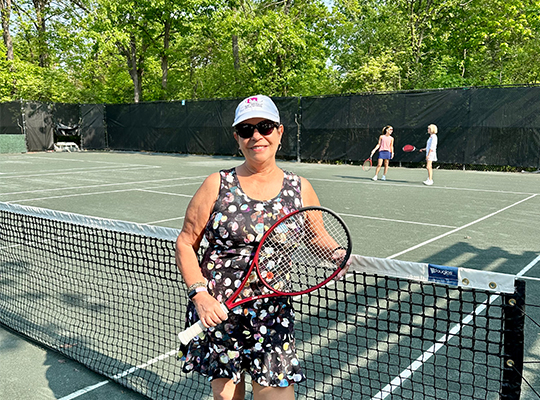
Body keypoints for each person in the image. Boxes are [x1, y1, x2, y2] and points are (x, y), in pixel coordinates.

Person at [176, 95, 331, 400]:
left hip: (272, 313)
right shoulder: (216, 184)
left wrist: (337, 254)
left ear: (280, 132)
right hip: (219, 311)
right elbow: (186, 240)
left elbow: (318, 236)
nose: (256, 136)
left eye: (265, 126)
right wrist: (200, 295)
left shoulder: (299, 188)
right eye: (246, 130)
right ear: (237, 138)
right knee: (226, 397)